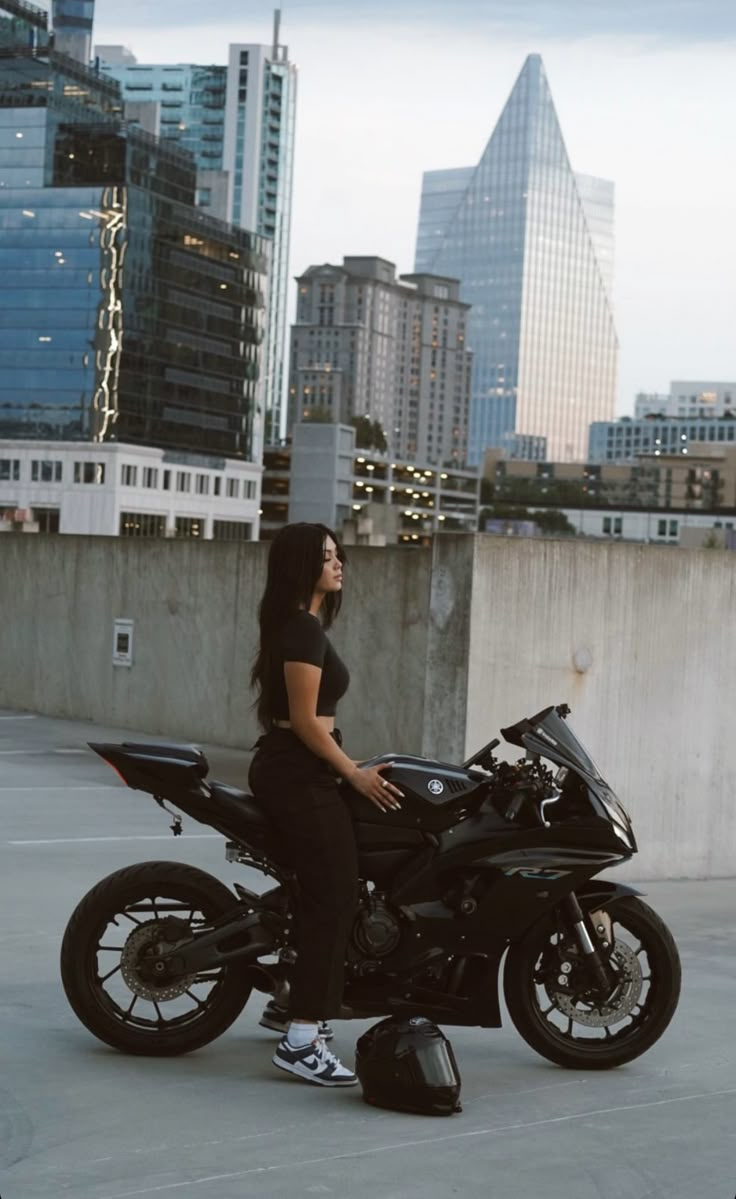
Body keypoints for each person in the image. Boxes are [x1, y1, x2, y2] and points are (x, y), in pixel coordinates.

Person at [249, 522, 404, 1087]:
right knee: (334, 896)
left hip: (307, 767)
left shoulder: (302, 626)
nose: (340, 565)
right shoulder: (301, 630)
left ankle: (289, 993)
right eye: (328, 557)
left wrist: (349, 765)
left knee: (327, 888)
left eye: (340, 555)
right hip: (298, 773)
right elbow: (306, 724)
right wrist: (354, 775)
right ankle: (301, 1038)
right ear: (301, 566)